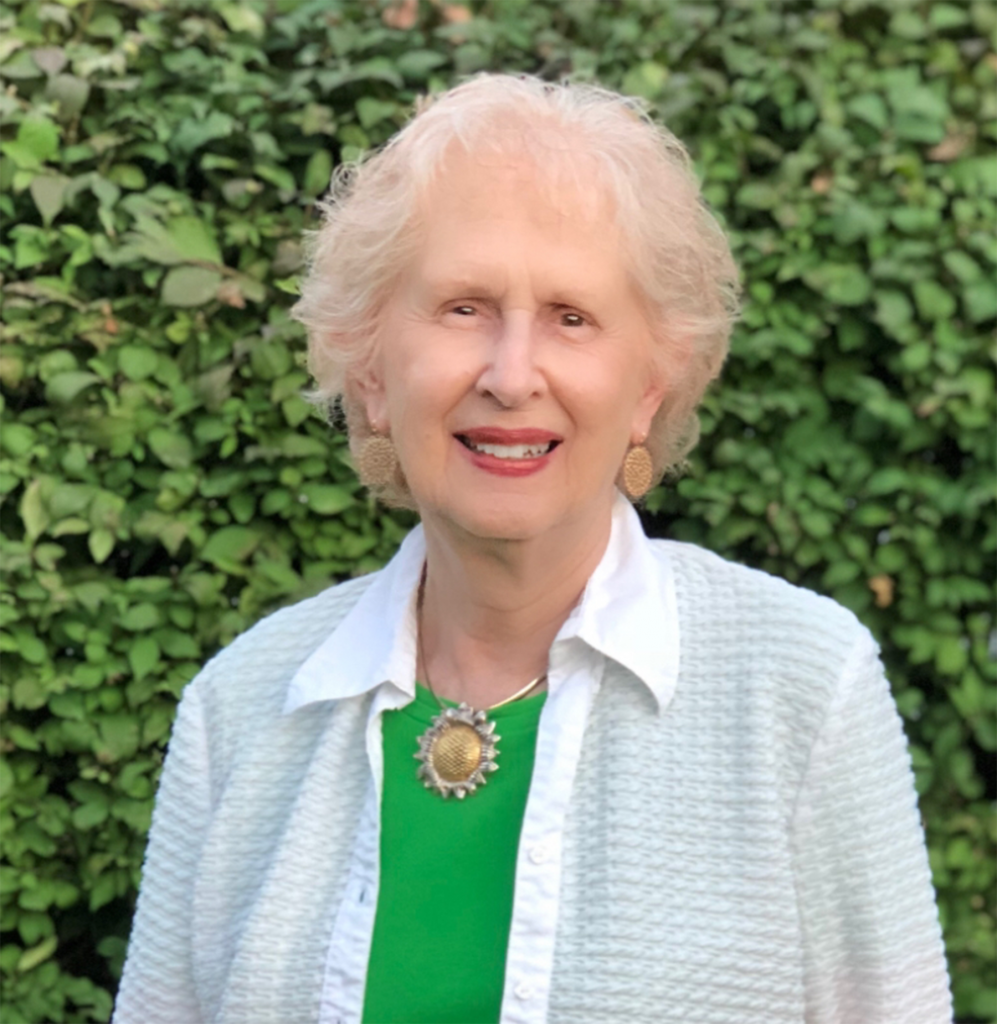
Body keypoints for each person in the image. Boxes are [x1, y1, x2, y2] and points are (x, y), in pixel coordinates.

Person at [112, 74, 952, 1024]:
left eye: (571, 318)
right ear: (371, 370)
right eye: (463, 308)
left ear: (648, 386)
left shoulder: (799, 684)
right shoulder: (240, 707)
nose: (512, 377)